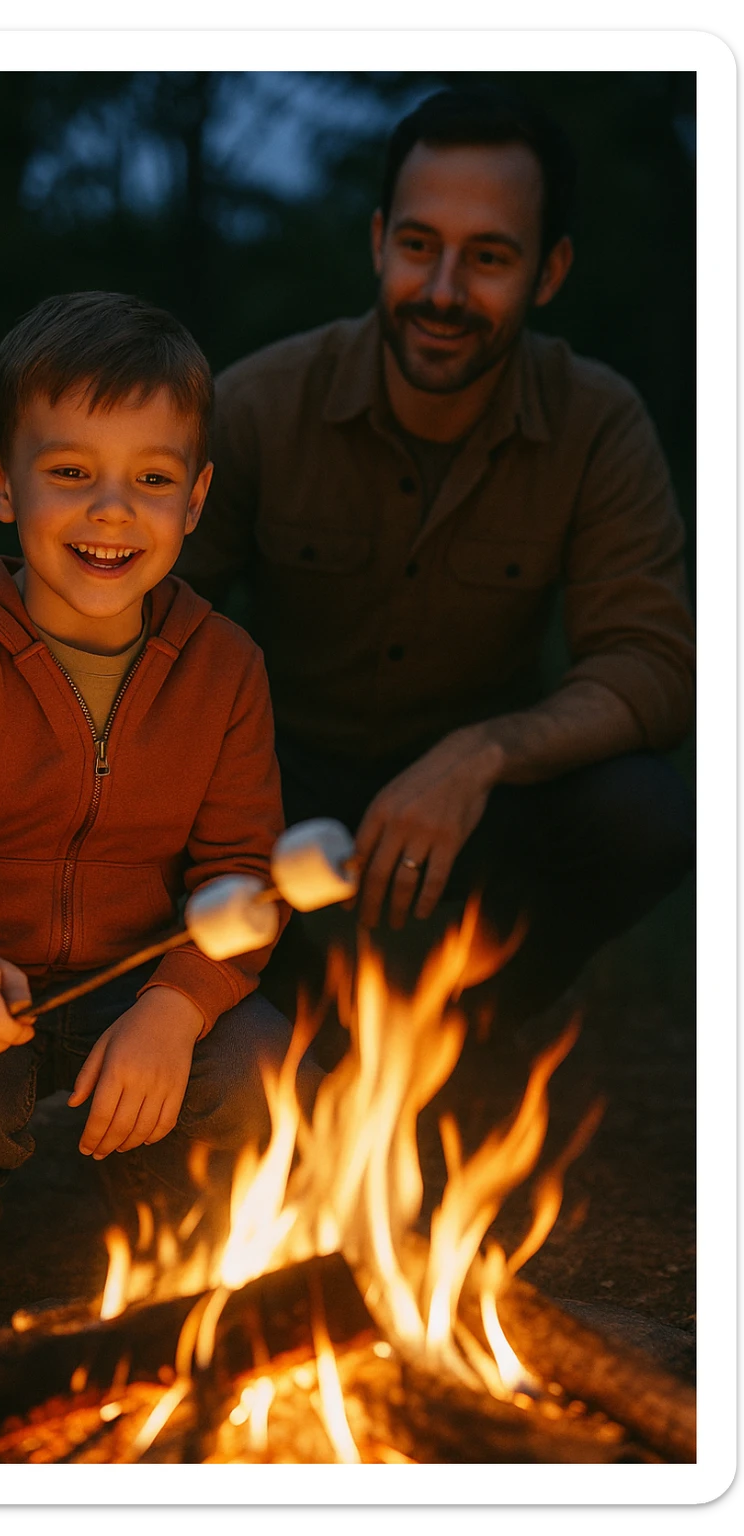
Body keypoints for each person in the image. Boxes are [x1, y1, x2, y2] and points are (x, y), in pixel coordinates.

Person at [175, 87, 695, 1046]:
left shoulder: (598, 422)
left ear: (551, 270)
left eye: (489, 257)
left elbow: (655, 666)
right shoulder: (256, 406)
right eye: (420, 246)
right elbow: (146, 635)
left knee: (647, 814)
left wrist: (480, 755)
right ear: (379, 243)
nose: (444, 290)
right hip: (277, 796)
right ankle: (250, 1013)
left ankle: (465, 1034)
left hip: (483, 813)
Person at [0, 291, 319, 1306]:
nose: (112, 511)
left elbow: (244, 872)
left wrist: (175, 1007)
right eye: (70, 473)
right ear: (0, 483)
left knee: (271, 1075)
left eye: (150, 480)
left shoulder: (224, 667)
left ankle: (144, 1165)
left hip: (140, 977)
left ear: (193, 503)